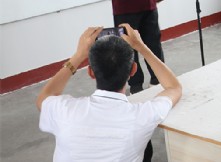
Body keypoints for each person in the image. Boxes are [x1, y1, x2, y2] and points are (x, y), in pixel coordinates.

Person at [37, 24, 182, 162]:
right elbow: (174, 87)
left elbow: (44, 97)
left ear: (91, 72)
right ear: (133, 70)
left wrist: (78, 55)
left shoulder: (64, 111)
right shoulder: (143, 117)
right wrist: (141, 47)